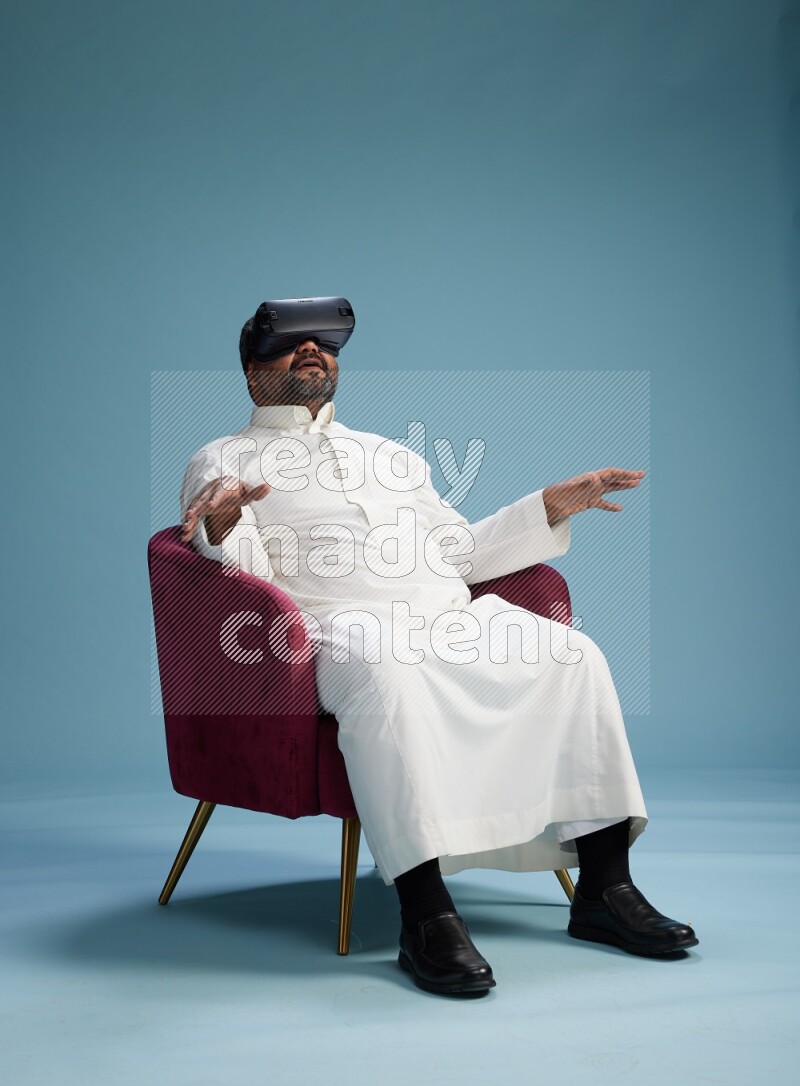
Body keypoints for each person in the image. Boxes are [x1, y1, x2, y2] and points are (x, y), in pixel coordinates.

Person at [179, 303, 698, 997]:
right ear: (252, 371)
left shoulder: (391, 456)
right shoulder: (220, 459)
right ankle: (426, 915)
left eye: (325, 342)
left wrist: (549, 505)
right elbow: (235, 575)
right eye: (289, 344)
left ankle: (606, 890)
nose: (312, 350)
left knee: (574, 657)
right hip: (329, 629)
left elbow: (460, 552)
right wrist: (222, 519)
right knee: (385, 668)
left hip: (443, 614)